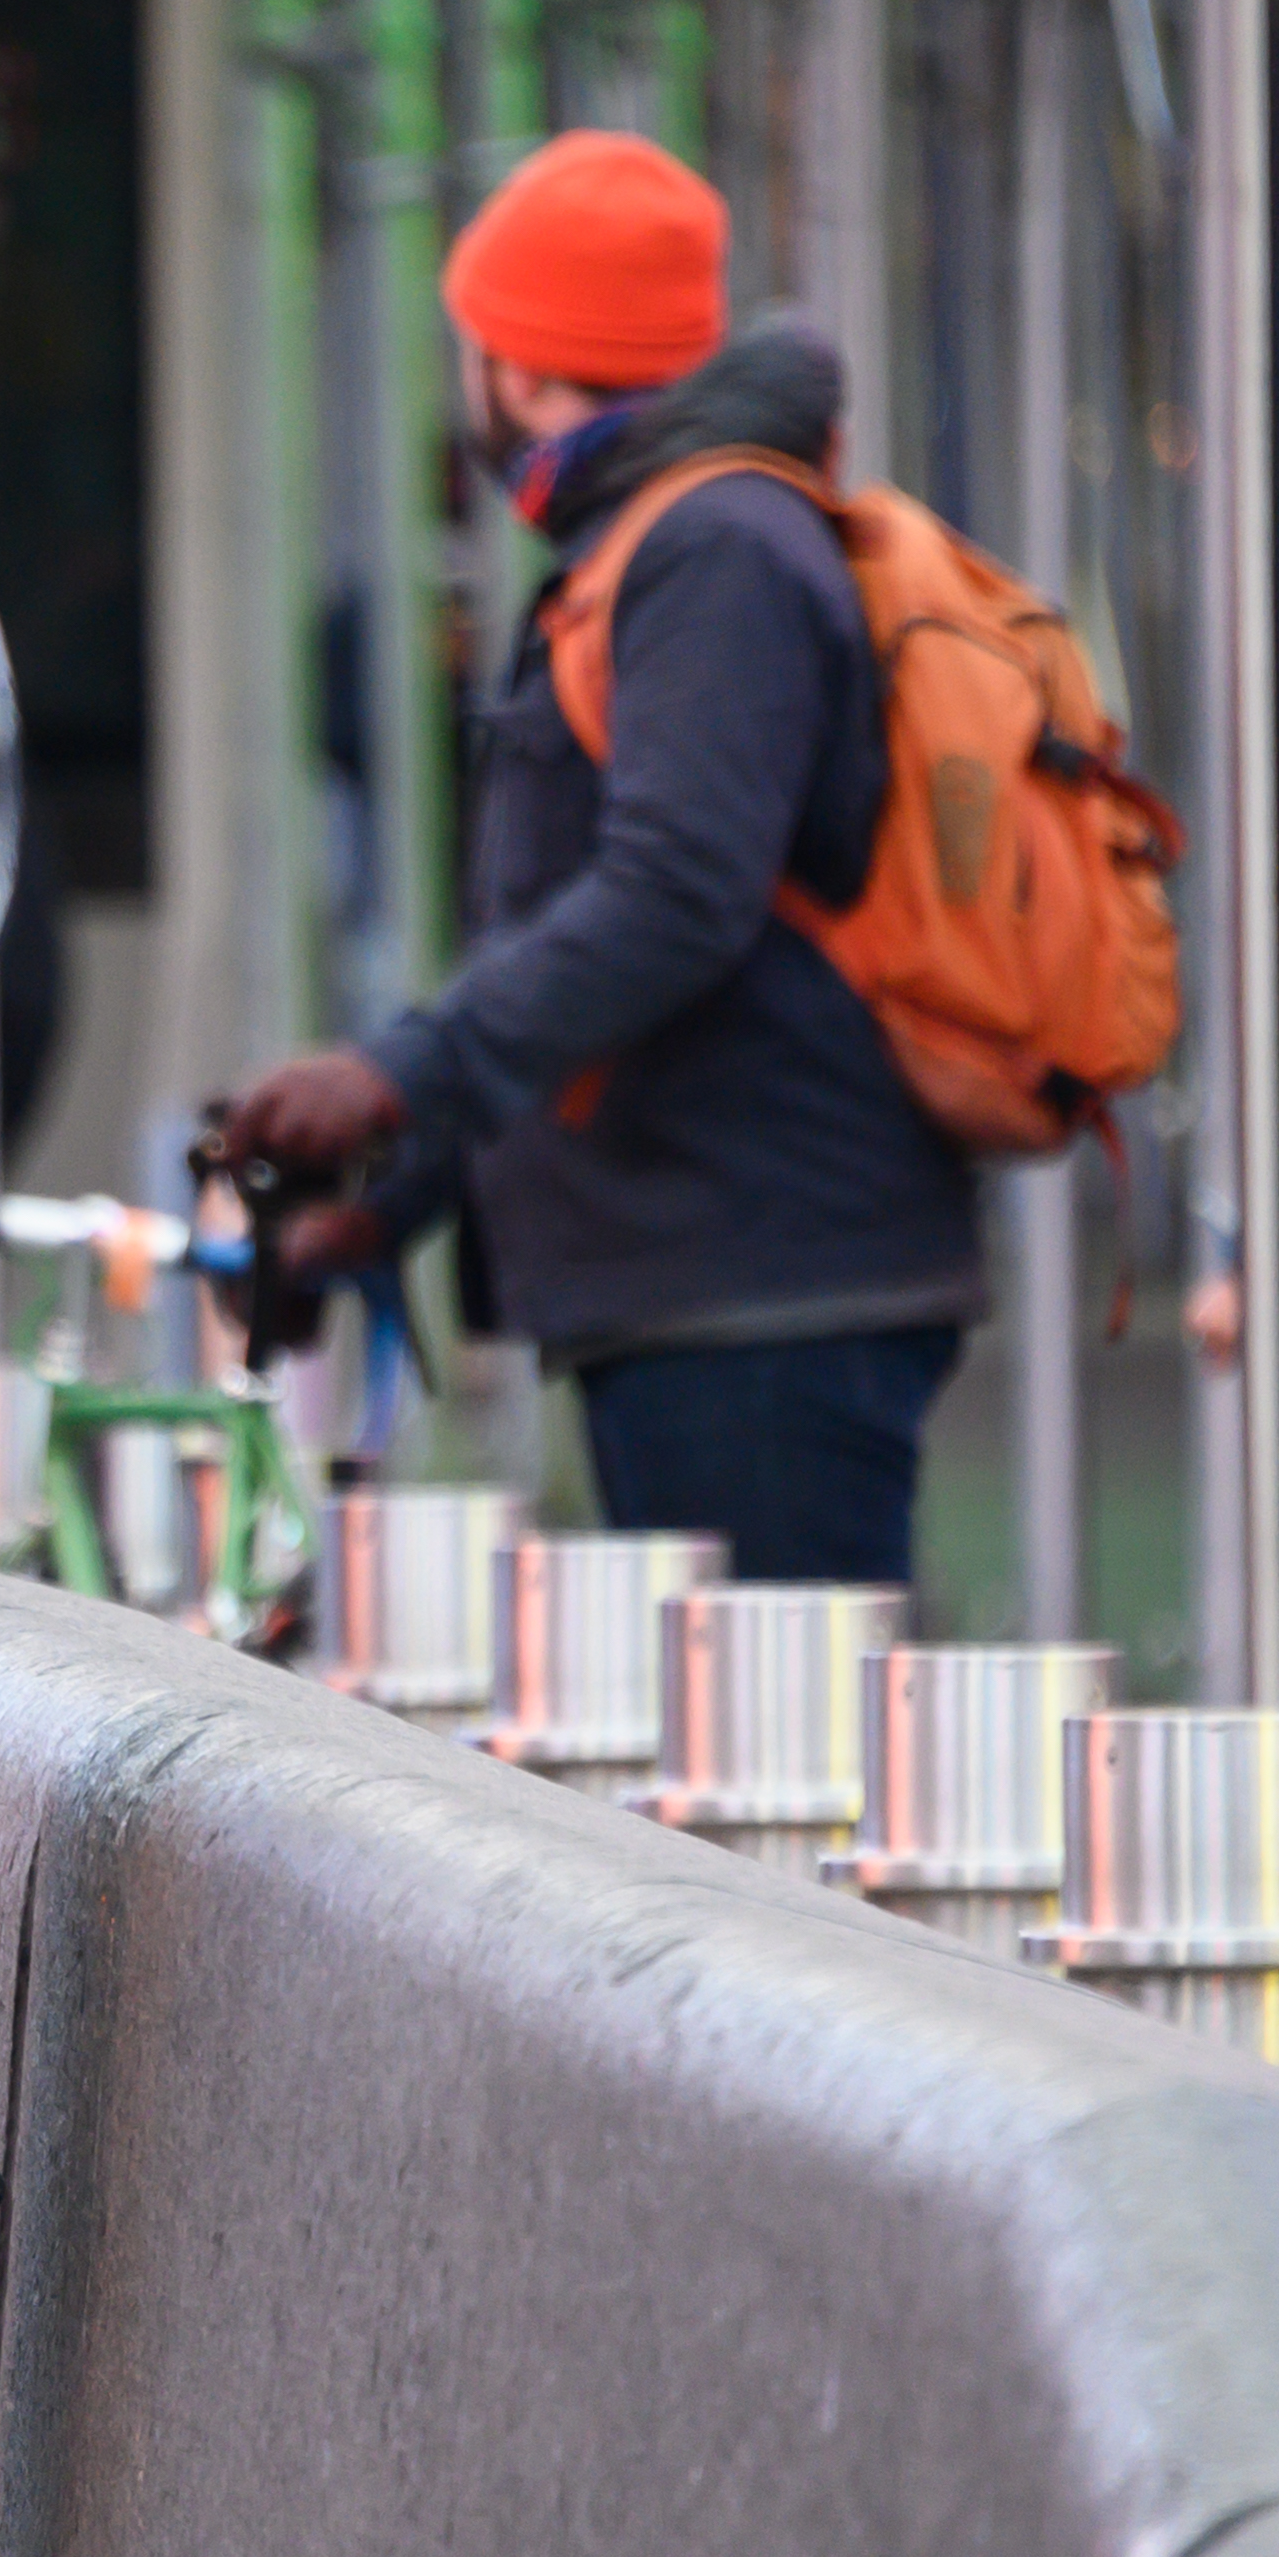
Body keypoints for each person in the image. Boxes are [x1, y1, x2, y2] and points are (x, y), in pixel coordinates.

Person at [221, 130, 978, 1586]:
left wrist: (394, 1077)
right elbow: (583, 938)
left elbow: (674, 895)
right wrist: (393, 1193)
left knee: (774, 1789)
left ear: (516, 359)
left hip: (764, 1291)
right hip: (703, 1281)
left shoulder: (716, 550)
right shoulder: (655, 543)